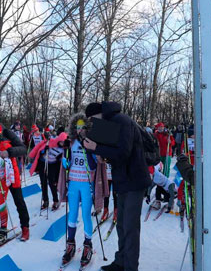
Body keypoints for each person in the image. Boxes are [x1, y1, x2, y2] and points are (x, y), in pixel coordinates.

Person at [82, 101, 151, 271]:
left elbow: (124, 152)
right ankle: (121, 262)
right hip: (123, 181)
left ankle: (130, 267)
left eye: (92, 120)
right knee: (121, 225)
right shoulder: (112, 122)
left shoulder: (122, 121)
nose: (93, 124)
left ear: (98, 114)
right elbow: (115, 152)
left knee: (130, 227)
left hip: (134, 181)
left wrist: (97, 147)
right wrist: (102, 155)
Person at [58, 114, 109, 269]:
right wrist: (65, 161)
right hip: (73, 182)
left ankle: (88, 245)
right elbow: (68, 161)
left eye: (83, 127)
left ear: (87, 129)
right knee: (72, 213)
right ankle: (71, 244)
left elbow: (95, 165)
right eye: (77, 127)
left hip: (87, 184)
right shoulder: (71, 142)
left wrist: (88, 150)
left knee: (86, 214)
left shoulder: (90, 143)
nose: (80, 130)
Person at [28, 131, 67, 211]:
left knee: (52, 183)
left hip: (53, 165)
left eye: (64, 142)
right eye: (61, 142)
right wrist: (43, 150)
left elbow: (62, 159)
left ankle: (55, 201)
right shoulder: (50, 142)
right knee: (43, 182)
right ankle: (45, 201)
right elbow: (39, 148)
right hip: (43, 163)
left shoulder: (64, 149)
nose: (62, 144)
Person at [154, 122, 174, 205]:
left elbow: (173, 143)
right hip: (159, 153)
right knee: (159, 168)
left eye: (161, 128)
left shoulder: (167, 134)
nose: (160, 129)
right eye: (159, 128)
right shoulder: (156, 134)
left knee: (166, 167)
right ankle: (160, 180)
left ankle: (166, 179)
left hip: (167, 153)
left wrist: (170, 142)